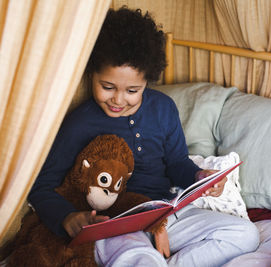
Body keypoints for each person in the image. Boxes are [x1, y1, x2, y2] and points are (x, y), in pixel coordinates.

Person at [28, 7, 259, 267]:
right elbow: (41, 185)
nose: (117, 99)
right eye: (107, 87)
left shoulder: (163, 109)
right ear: (91, 73)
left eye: (132, 90)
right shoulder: (80, 122)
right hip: (115, 223)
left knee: (245, 234)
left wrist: (198, 177)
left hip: (165, 213)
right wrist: (67, 217)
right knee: (141, 259)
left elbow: (177, 164)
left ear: (147, 81)